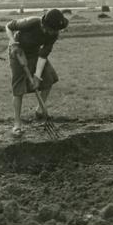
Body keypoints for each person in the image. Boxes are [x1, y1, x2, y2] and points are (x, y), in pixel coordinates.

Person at [5, 8, 69, 136]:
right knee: (18, 88)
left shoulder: (54, 34)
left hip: (34, 53)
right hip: (18, 52)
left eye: (54, 31)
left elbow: (43, 54)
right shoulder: (31, 22)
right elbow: (8, 26)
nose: (51, 33)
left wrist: (37, 77)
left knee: (49, 78)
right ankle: (17, 123)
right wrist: (13, 43)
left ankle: (40, 110)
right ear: (43, 24)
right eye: (50, 29)